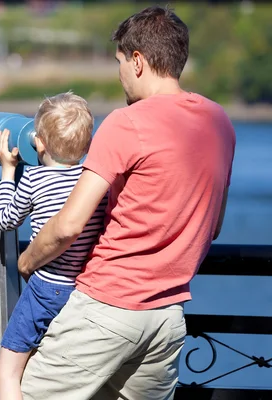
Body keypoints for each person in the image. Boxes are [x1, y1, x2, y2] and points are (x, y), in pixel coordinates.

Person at [16, 5, 236, 400]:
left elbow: (68, 225)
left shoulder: (126, 122)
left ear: (137, 61)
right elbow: (212, 225)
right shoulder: (218, 122)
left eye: (119, 62)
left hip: (105, 307)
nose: (119, 75)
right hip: (167, 316)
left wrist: (27, 261)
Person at [0, 92, 108, 400]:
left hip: (44, 289)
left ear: (38, 142)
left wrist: (6, 170)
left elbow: (4, 220)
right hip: (83, 291)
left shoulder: (34, 179)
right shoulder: (94, 184)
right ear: (87, 145)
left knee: (7, 371)